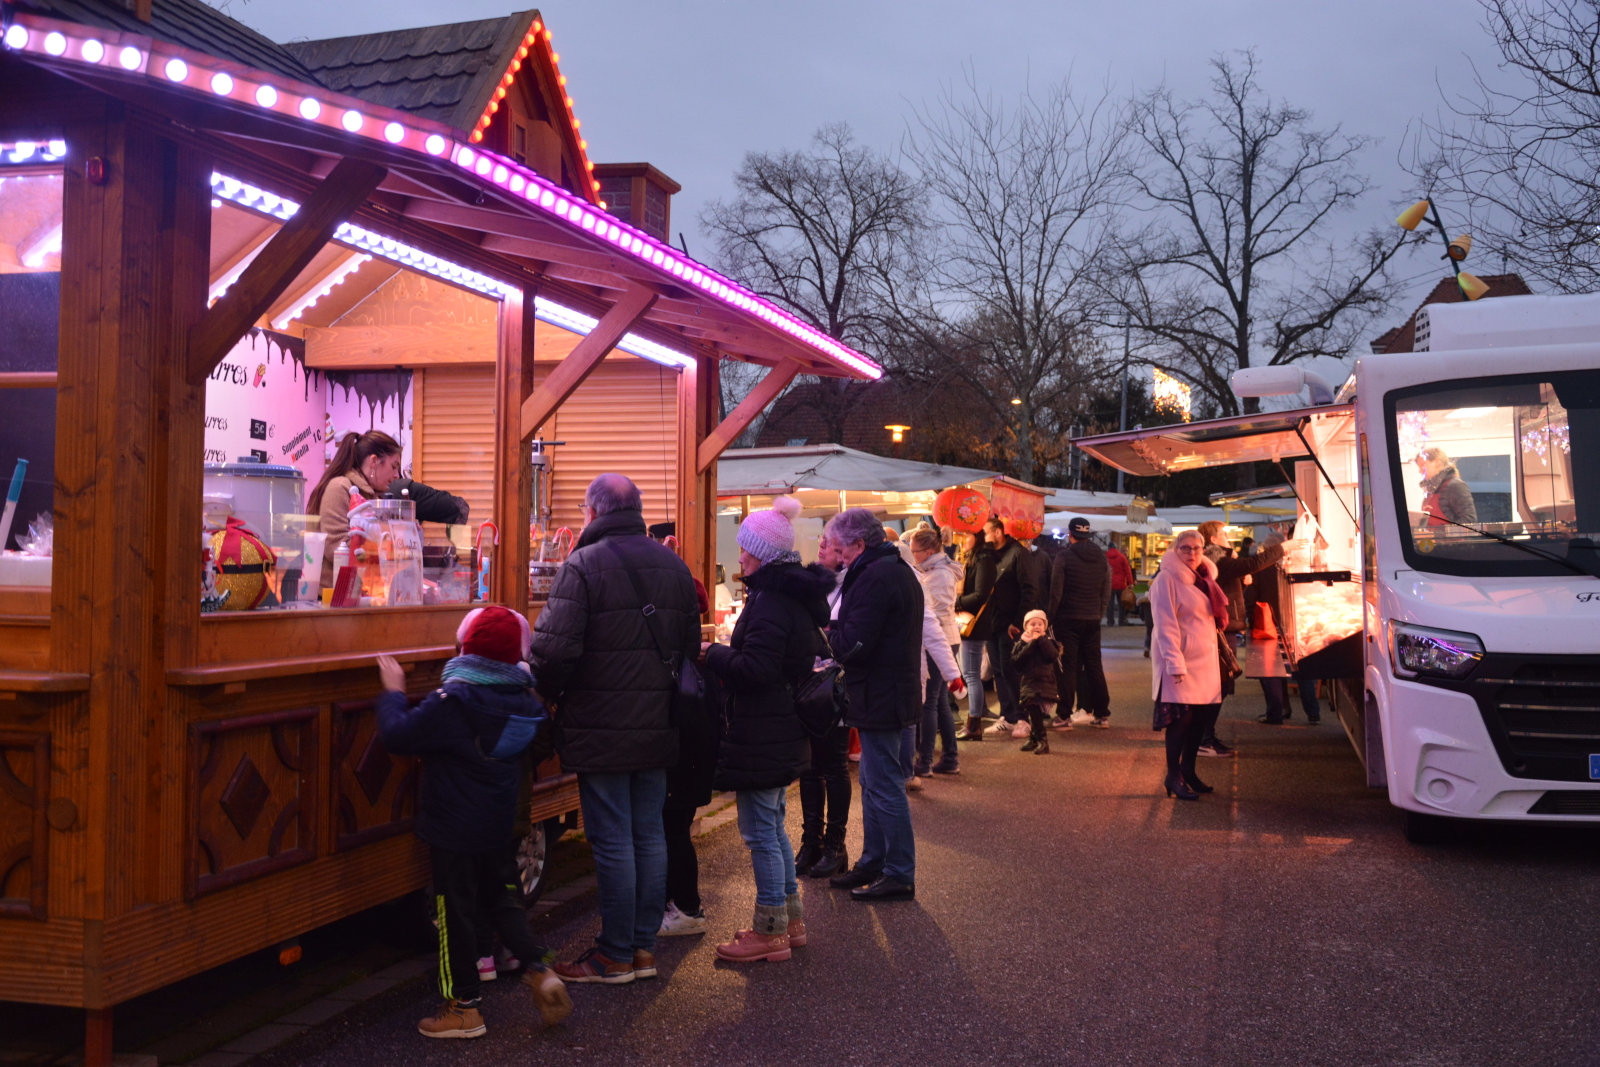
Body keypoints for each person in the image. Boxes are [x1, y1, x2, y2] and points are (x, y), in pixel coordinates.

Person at [529, 474, 699, 985]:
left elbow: (552, 652)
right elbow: (688, 649)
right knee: (649, 833)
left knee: (612, 840)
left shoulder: (581, 565)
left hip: (600, 727)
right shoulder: (673, 565)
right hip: (658, 724)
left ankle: (614, 954)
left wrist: (546, 692)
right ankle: (643, 949)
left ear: (592, 512)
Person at [374, 607, 572, 1039]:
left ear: (467, 649)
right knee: (504, 899)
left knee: (455, 913)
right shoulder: (525, 701)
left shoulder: (456, 701)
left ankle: (463, 1008)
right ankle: (539, 968)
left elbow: (398, 735)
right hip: (497, 824)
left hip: (454, 829)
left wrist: (392, 692)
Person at [700, 496, 834, 963]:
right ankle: (788, 921)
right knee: (773, 827)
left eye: (744, 549)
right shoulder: (788, 597)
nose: (739, 557)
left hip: (764, 730)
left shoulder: (772, 602)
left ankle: (769, 930)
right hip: (779, 728)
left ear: (761, 553)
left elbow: (756, 669)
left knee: (761, 831)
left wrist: (711, 653)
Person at [825, 508, 924, 901]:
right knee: (873, 781)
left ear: (860, 545)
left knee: (882, 784)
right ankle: (874, 860)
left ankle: (898, 871)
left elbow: (856, 643)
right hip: (886, 691)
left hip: (881, 693)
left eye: (841, 549)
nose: (838, 556)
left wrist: (827, 638)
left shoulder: (875, 577)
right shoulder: (892, 569)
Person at [1195, 521, 1298, 757]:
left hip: (1226, 628)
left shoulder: (1219, 561)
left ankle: (1206, 737)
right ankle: (1204, 739)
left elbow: (1231, 583)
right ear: (1212, 540)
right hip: (1222, 629)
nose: (1227, 537)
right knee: (1219, 685)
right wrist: (1284, 547)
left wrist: (1242, 582)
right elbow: (1253, 562)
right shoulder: (1218, 559)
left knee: (1221, 685)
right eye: (1223, 534)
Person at [1148, 531, 1226, 801]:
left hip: (1204, 662)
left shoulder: (1204, 578)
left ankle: (1188, 771)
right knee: (1181, 721)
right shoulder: (1166, 580)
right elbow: (1165, 623)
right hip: (1181, 662)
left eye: (1197, 548)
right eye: (1185, 549)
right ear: (1175, 549)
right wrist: (1174, 662)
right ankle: (1173, 775)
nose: (1192, 554)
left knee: (1199, 720)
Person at [794, 529, 853, 879]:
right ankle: (810, 841)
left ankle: (835, 844)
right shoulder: (813, 584)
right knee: (809, 767)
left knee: (833, 766)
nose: (819, 550)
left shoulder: (854, 584)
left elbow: (849, 633)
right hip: (808, 685)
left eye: (826, 545)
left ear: (843, 551)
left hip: (835, 687)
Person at [306, 430, 403, 587]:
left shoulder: (373, 496)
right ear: (374, 461)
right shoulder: (339, 487)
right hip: (334, 597)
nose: (397, 475)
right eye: (394, 466)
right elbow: (336, 549)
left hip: (361, 592)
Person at [959, 517, 1027, 738]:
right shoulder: (989, 556)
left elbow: (1028, 590)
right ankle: (1007, 716)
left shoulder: (1016, 553)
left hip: (1010, 624)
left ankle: (1021, 718)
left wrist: (1018, 622)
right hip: (992, 622)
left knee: (1012, 670)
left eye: (987, 533)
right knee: (998, 671)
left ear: (997, 533)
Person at [1048, 517, 1113, 728]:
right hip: (1092, 618)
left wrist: (1051, 617)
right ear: (1088, 534)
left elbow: (1056, 591)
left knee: (1068, 667)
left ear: (1070, 534)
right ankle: (1102, 713)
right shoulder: (1102, 558)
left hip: (1067, 619)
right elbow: (1106, 589)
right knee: (1094, 666)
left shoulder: (1063, 557)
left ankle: (1064, 714)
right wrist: (1099, 612)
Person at [910, 527, 964, 775]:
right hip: (945, 639)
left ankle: (924, 763)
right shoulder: (935, 570)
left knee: (929, 703)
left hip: (940, 640)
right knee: (940, 702)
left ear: (929, 551)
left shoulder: (939, 574)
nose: (913, 556)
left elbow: (937, 615)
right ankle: (950, 758)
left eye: (915, 552)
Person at [954, 530, 996, 742]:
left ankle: (974, 724)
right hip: (965, 621)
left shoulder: (984, 559)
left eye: (966, 536)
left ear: (977, 537)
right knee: (969, 673)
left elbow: (980, 594)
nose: (962, 540)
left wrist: (956, 604)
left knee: (971, 674)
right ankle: (974, 722)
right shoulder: (971, 558)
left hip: (974, 624)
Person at [1013, 609, 1062, 754]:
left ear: (1045, 627)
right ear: (1026, 627)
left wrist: (1040, 640)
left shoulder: (1048, 642)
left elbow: (1052, 656)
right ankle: (1035, 739)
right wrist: (1031, 644)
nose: (1036, 627)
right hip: (1028, 681)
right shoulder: (1022, 643)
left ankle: (1042, 740)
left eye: (1040, 624)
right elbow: (1016, 661)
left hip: (1045, 682)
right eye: (1032, 624)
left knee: (1035, 710)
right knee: (1032, 709)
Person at [1417, 447, 1477, 526]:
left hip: (1449, 539)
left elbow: (1469, 521)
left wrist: (1437, 533)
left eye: (1423, 465)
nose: (1420, 471)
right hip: (1431, 539)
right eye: (1419, 467)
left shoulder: (1456, 486)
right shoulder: (1431, 490)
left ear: (1437, 462)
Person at [1106, 542, 1134, 627]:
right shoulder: (1122, 557)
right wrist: (1131, 582)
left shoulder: (1105, 557)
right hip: (1121, 584)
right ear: (1116, 547)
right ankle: (1121, 621)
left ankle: (1110, 621)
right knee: (1121, 603)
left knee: (1109, 604)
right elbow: (1127, 571)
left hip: (1109, 583)